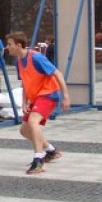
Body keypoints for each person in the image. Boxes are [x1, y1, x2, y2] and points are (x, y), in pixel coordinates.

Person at [5, 31, 70, 175]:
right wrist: (23, 102)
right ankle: (50, 150)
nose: (7, 47)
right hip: (36, 97)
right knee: (24, 130)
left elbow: (57, 74)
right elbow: (25, 83)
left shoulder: (36, 57)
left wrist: (65, 96)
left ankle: (38, 159)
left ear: (18, 45)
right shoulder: (18, 62)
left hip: (48, 94)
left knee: (34, 122)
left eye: (9, 44)